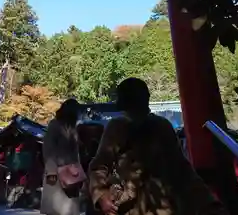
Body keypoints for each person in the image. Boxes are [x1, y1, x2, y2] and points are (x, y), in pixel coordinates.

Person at [89, 78, 227, 215]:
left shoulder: (161, 126)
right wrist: (101, 196)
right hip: (130, 206)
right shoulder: (117, 128)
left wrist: (209, 203)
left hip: (163, 205)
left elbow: (182, 169)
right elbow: (99, 166)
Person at [41, 99, 83, 215]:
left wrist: (79, 172)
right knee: (55, 209)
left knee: (70, 209)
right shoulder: (55, 125)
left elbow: (76, 153)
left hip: (72, 174)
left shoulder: (73, 128)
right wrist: (51, 171)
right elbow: (48, 149)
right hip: (55, 173)